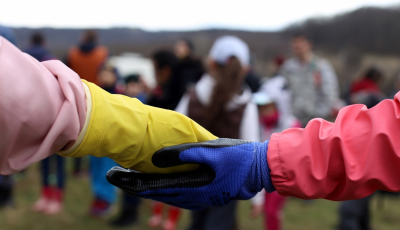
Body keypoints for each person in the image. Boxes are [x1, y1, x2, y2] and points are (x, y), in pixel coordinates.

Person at [3, 35, 400, 212]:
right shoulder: (240, 96)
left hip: (206, 164)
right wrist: (259, 173)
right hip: (224, 169)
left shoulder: (202, 90)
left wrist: (262, 165)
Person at [175, 36, 260, 230]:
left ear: (211, 63)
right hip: (229, 183)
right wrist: (258, 197)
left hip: (194, 177)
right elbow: (253, 152)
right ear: (244, 69)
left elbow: (172, 135)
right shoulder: (246, 104)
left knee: (198, 223)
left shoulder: (192, 95)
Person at [251, 69, 301, 230]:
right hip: (266, 177)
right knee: (269, 211)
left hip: (283, 178)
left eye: (267, 105)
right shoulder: (260, 125)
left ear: (279, 104)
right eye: (260, 106)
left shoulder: (293, 127)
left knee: (272, 210)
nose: (262, 110)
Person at [24, 32, 66, 215]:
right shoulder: (52, 60)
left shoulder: (24, 58)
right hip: (56, 118)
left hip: (37, 118)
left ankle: (47, 197)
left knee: (45, 160)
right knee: (57, 161)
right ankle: (54, 199)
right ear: (45, 42)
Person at [338, 67, 385, 230]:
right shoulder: (375, 95)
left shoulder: (354, 86)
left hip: (356, 152)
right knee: (356, 209)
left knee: (351, 210)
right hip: (368, 157)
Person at [146, 50, 188, 230]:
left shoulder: (179, 91)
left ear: (165, 70)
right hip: (156, 145)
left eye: (155, 69)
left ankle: (171, 219)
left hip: (176, 147)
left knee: (175, 184)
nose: (154, 74)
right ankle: (156, 214)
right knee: (155, 181)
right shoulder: (159, 90)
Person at [66, 30, 108, 177]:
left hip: (77, 95)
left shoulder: (72, 53)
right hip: (97, 98)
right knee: (95, 133)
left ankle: (76, 168)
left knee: (77, 133)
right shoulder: (102, 54)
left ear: (83, 38)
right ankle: (91, 168)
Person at [280, 33, 339, 126]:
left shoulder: (321, 66)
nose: (297, 45)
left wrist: (318, 117)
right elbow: (281, 92)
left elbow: (330, 94)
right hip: (293, 122)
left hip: (317, 122)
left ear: (309, 44)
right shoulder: (288, 67)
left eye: (300, 42)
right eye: (294, 42)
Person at [109, 74, 145, 227]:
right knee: (125, 183)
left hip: (139, 152)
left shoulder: (145, 104)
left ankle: (132, 213)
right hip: (126, 151)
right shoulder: (123, 102)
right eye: (129, 85)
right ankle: (126, 211)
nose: (132, 88)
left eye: (135, 85)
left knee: (134, 184)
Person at [88, 63, 119, 217]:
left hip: (110, 142)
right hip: (95, 139)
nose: (106, 77)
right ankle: (97, 197)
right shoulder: (95, 92)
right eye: (103, 73)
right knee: (95, 169)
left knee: (107, 171)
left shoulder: (119, 96)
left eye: (110, 73)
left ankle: (107, 200)